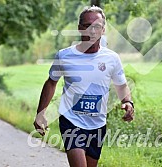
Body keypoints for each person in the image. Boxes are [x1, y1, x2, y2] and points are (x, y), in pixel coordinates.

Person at [33, 6, 134, 167]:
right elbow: (51, 82)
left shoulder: (112, 58)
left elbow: (121, 85)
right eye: (87, 26)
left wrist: (128, 102)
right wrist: (41, 112)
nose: (92, 31)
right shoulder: (64, 56)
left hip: (98, 124)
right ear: (80, 28)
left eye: (97, 26)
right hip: (71, 120)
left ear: (103, 29)